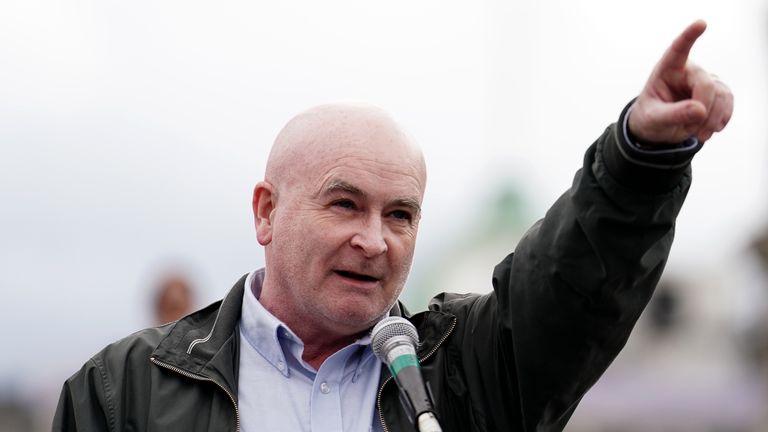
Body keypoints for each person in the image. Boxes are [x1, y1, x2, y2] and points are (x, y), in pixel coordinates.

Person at [52, 20, 733, 432]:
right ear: (266, 211)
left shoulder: (462, 371)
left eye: (400, 214)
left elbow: (572, 289)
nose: (375, 240)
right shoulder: (121, 390)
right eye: (344, 204)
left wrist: (640, 159)